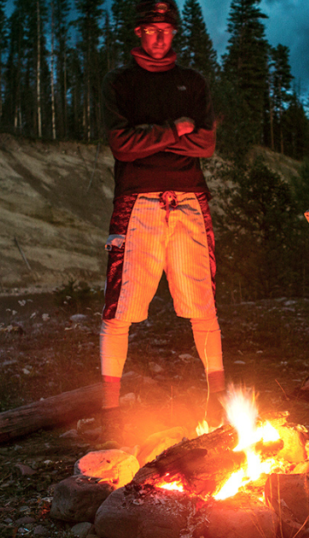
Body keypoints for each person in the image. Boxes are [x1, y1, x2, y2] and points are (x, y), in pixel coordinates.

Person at [98, 0, 224, 437]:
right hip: (138, 202)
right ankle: (111, 412)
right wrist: (175, 131)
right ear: (138, 32)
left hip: (190, 201)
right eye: (151, 29)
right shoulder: (121, 83)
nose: (159, 37)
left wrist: (151, 139)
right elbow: (121, 144)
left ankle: (219, 401)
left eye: (166, 29)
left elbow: (206, 143)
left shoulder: (192, 82)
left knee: (202, 303)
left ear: (175, 32)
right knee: (122, 305)